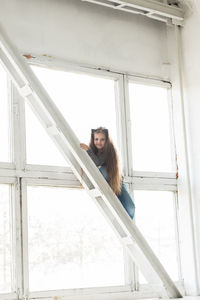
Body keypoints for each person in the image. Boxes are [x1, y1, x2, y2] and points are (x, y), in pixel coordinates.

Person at [80, 126, 135, 219]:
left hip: (117, 180)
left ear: (106, 141)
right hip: (105, 177)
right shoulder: (93, 151)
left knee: (130, 207)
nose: (99, 142)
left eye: (102, 139)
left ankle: (127, 220)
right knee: (101, 169)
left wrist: (88, 150)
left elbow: (98, 162)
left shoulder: (108, 150)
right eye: (96, 139)